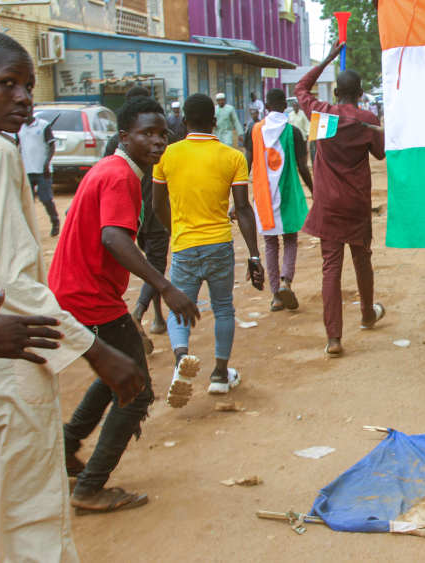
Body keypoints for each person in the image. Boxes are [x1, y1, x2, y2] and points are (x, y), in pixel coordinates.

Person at [0, 30, 143, 562]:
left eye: (26, 85)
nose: (23, 97)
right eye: (7, 84)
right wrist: (96, 351)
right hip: (6, 357)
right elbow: (13, 282)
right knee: (28, 514)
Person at [50, 96, 200, 515]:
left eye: (161, 134)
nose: (157, 142)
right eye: (146, 134)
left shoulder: (112, 169)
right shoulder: (119, 176)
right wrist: (165, 287)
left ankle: (66, 444)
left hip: (76, 289)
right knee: (136, 390)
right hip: (89, 296)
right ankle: (90, 487)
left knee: (117, 369)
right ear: (124, 137)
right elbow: (114, 239)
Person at [153, 93, 264, 405]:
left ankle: (180, 361)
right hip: (218, 244)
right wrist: (254, 255)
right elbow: (242, 209)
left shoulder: (167, 156)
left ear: (184, 121)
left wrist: (174, 229)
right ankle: (219, 374)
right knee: (223, 308)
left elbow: (156, 203)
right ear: (215, 122)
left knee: (180, 308)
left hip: (185, 245)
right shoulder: (232, 157)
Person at [294, 43, 385, 358]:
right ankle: (368, 314)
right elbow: (380, 153)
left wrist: (328, 58)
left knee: (330, 268)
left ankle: (334, 339)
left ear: (336, 94)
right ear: (360, 93)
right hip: (357, 202)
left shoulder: (321, 115)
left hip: (328, 204)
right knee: (363, 259)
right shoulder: (366, 119)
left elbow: (300, 87)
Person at [104, 86, 169, 353]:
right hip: (150, 213)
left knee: (148, 263)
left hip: (130, 214)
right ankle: (140, 313)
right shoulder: (160, 141)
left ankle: (157, 316)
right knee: (154, 263)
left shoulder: (113, 144)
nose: (157, 140)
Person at [245, 88, 313, 312]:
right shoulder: (293, 132)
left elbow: (247, 163)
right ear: (284, 104)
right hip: (288, 194)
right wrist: (315, 190)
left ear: (266, 105)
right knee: (290, 239)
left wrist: (239, 197)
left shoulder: (253, 131)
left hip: (264, 196)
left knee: (270, 243)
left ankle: (275, 295)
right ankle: (286, 281)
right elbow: (303, 167)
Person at [17, 111, 59, 236]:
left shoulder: (43, 125)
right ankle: (27, 228)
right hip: (26, 170)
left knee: (45, 199)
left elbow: (52, 146)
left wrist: (46, 164)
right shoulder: (19, 128)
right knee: (26, 201)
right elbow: (17, 146)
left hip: (42, 171)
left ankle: (55, 221)